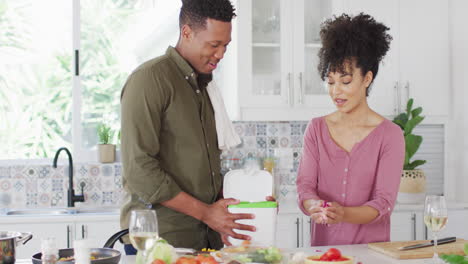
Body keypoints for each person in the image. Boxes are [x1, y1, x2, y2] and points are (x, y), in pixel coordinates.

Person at [120, 0, 255, 253]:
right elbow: (139, 169)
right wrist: (206, 214)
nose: (220, 54)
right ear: (186, 33)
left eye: (225, 45)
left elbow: (200, 173)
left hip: (204, 240)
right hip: (159, 241)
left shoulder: (204, 87)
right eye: (214, 45)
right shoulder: (149, 80)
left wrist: (254, 202)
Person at [296, 13, 405, 246]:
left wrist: (344, 214)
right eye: (331, 81)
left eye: (345, 82)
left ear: (367, 78)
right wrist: (313, 205)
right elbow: (305, 187)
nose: (336, 91)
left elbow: (383, 202)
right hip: (325, 254)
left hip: (373, 254)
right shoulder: (316, 129)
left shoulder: (390, 135)